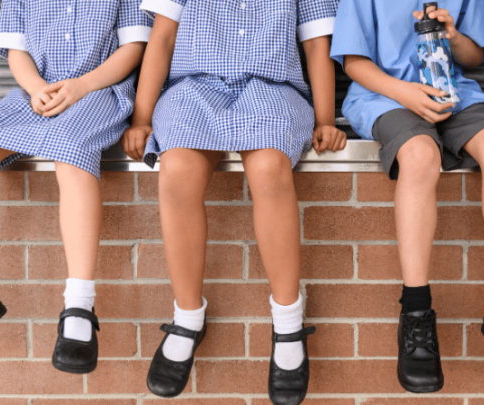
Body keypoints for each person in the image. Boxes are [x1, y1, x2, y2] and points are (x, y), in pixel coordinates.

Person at [122, 0, 345, 402]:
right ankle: (188, 316)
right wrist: (142, 118)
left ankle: (288, 321)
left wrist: (326, 118)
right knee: (177, 171)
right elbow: (164, 37)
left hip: (272, 90)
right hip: (193, 89)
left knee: (269, 169)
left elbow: (316, 45)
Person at [331, 0, 484, 394]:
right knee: (420, 155)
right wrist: (405, 93)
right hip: (384, 93)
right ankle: (415, 312)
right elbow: (353, 63)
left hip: (452, 91)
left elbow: (472, 55)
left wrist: (453, 35)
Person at [0, 0, 151, 374]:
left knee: (72, 150)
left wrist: (81, 86)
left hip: (97, 91)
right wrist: (36, 89)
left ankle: (79, 304)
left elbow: (133, 47)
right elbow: (18, 50)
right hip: (40, 94)